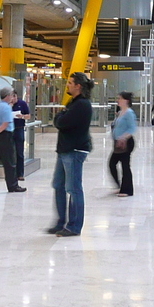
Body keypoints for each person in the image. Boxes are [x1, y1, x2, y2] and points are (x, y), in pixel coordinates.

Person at [49, 72, 93, 237]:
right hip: (64, 150)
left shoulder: (81, 105)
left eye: (70, 83)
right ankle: (61, 222)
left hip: (74, 151)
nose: (67, 85)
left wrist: (61, 115)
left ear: (78, 86)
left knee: (73, 188)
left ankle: (74, 226)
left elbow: (61, 122)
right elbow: (61, 120)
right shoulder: (73, 103)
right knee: (58, 185)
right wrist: (62, 115)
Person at [108, 91, 136, 197]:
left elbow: (132, 128)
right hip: (117, 143)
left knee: (125, 166)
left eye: (120, 98)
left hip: (126, 143)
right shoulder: (120, 112)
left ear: (126, 101)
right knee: (112, 164)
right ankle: (119, 186)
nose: (117, 100)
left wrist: (123, 137)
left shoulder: (129, 113)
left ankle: (127, 190)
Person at [11, 87, 31, 182]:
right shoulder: (6, 105)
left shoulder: (22, 104)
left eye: (13, 97)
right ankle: (11, 173)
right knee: (10, 153)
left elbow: (28, 115)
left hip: (19, 129)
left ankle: (20, 174)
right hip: (9, 130)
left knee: (19, 153)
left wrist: (22, 116)